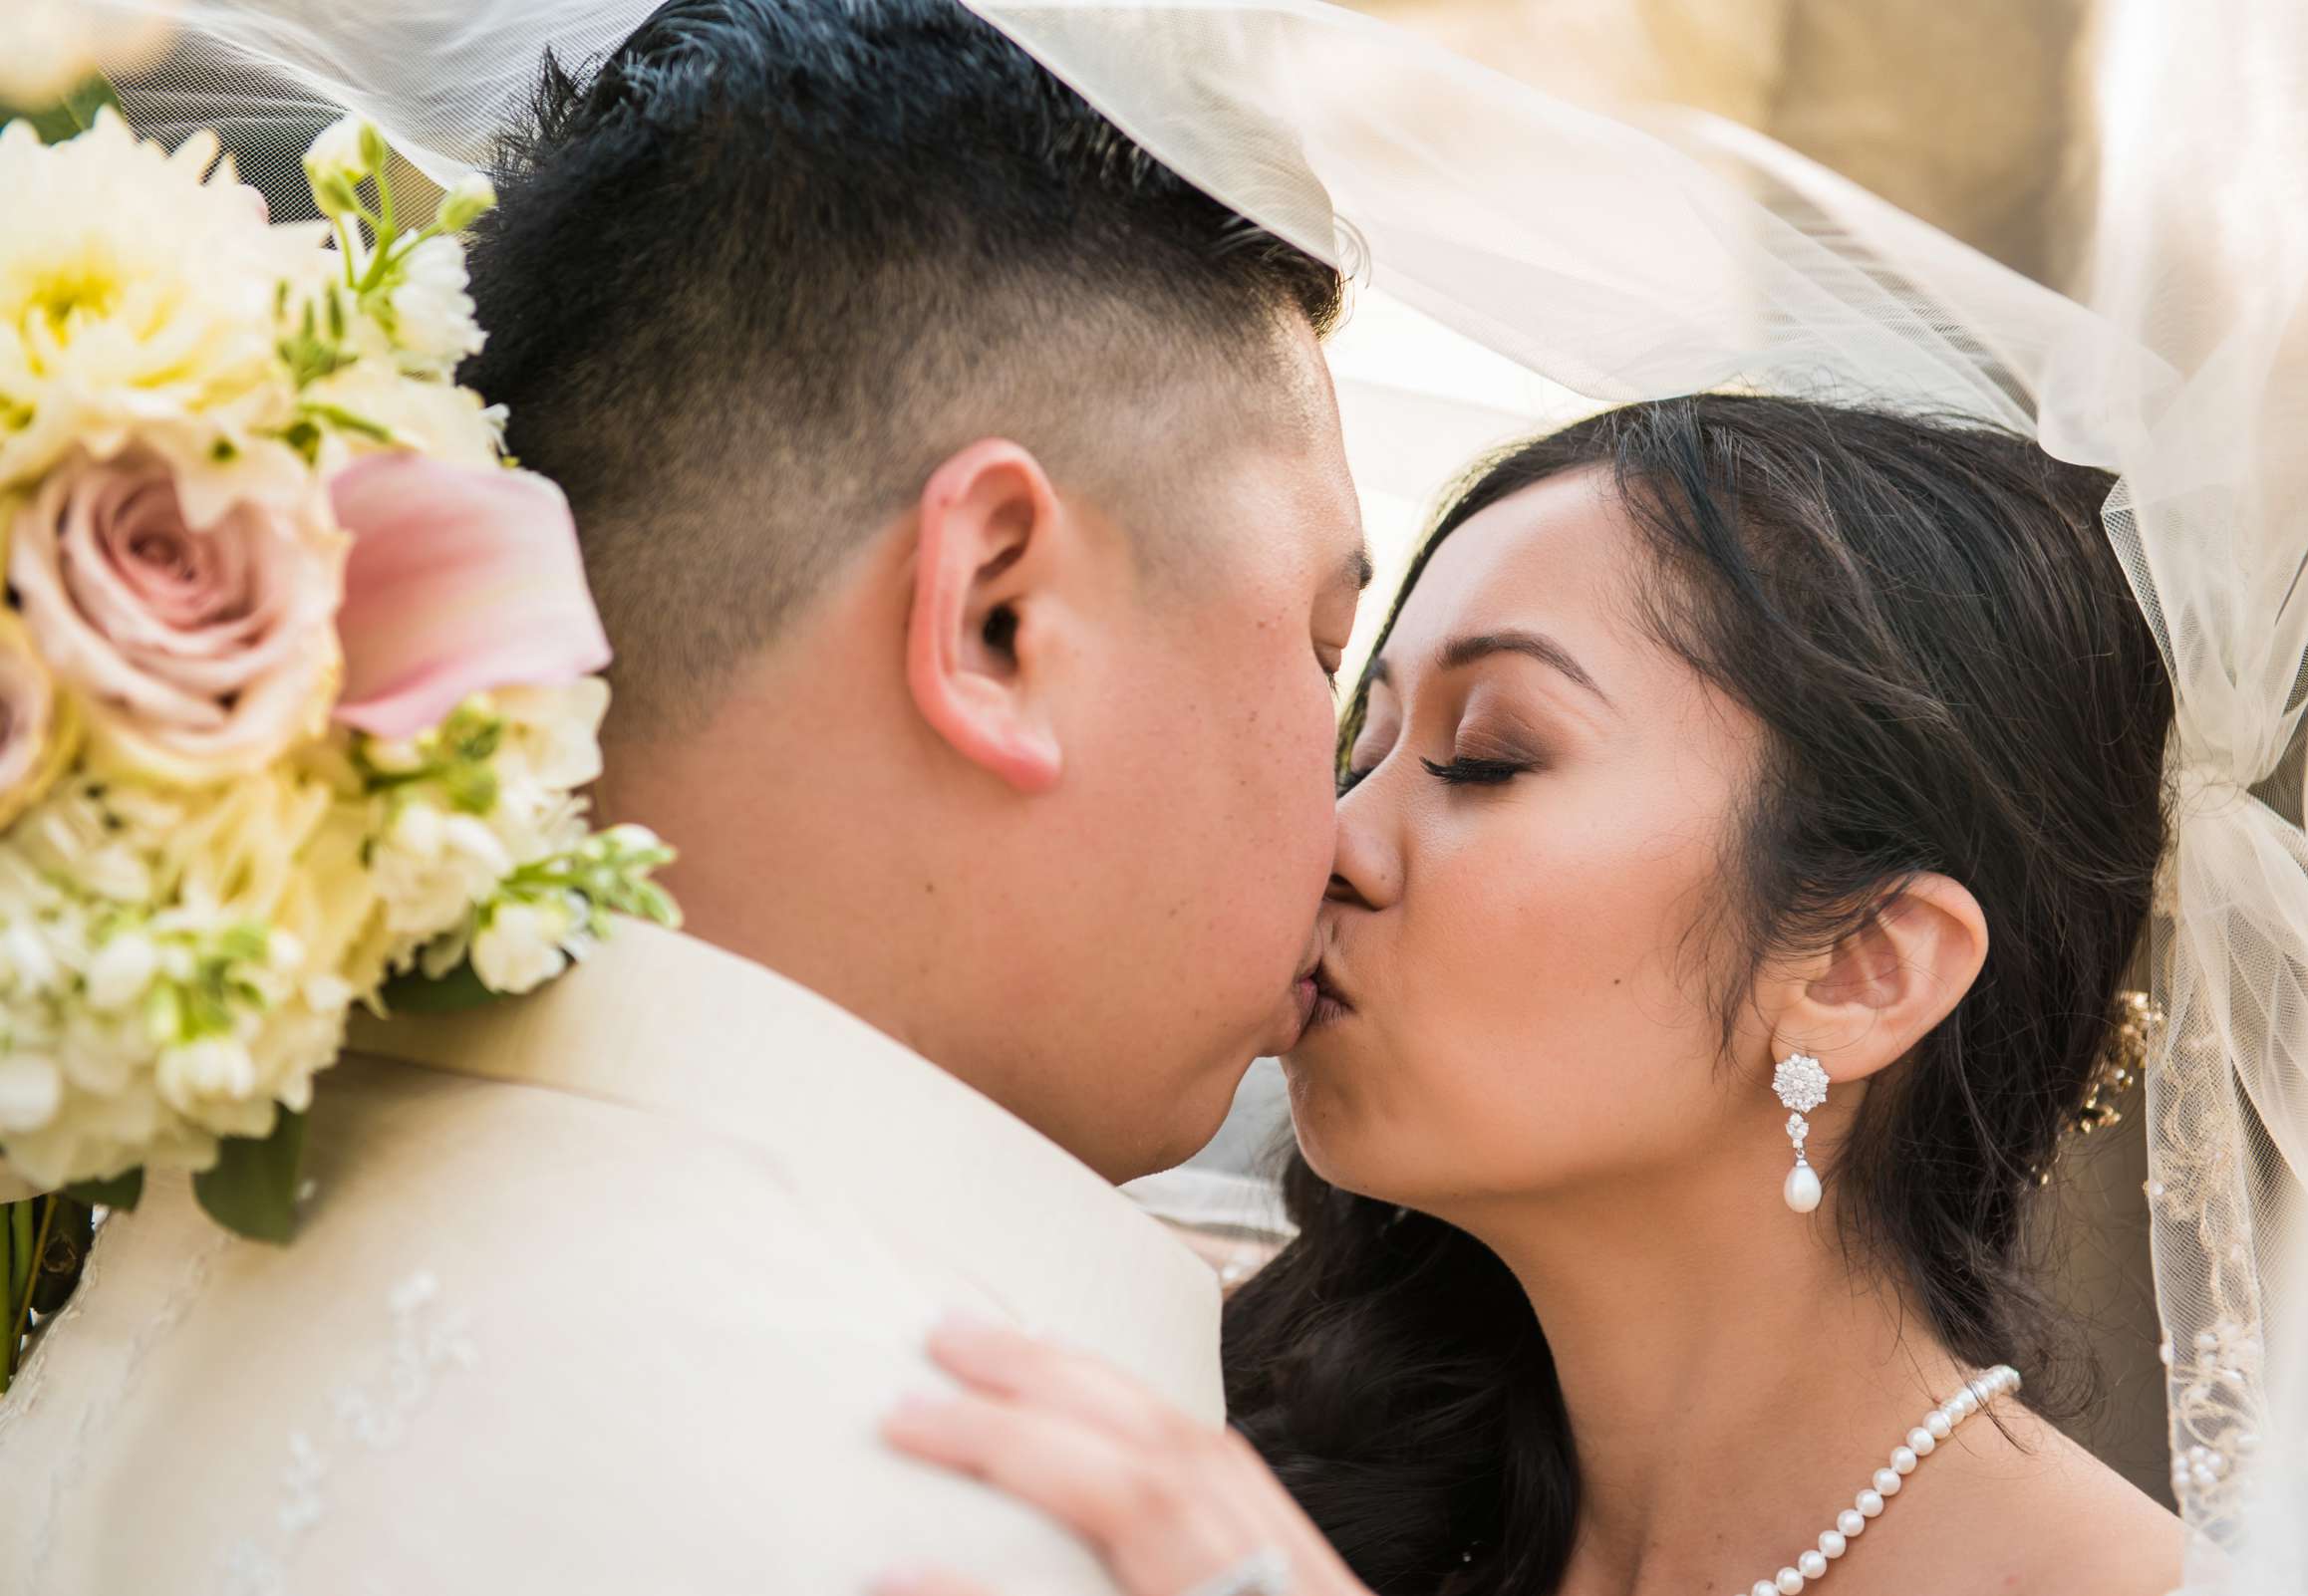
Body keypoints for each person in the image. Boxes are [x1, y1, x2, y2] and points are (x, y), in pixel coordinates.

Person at [0, 2, 1367, 1588]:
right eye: (1328, 648)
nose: (1348, 836)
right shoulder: (988, 1503)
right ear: (998, 617)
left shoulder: (168, 1223)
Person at [880, 395, 2187, 1596]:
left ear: (1859, 968)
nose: (1331, 841)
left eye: (1486, 758)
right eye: (1364, 745)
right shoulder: (1234, 1445)